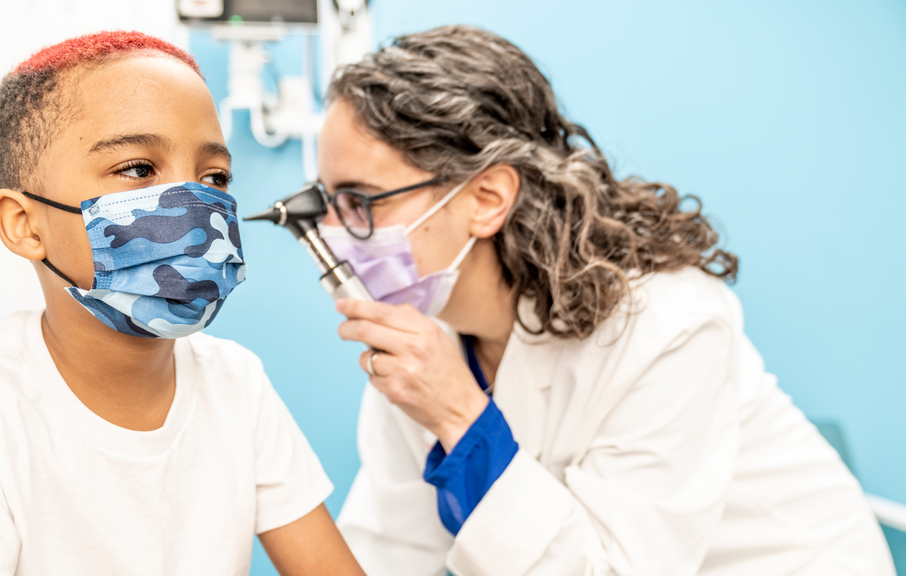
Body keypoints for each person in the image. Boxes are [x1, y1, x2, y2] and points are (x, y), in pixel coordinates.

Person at [318, 25, 895, 576]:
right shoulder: (424, 346)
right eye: (327, 204)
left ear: (488, 198)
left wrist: (460, 416)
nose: (335, 234)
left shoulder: (667, 323)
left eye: (361, 202)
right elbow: (386, 549)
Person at [0, 31, 364, 576]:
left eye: (215, 177)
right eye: (137, 169)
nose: (195, 205)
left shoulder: (235, 382)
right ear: (25, 224)